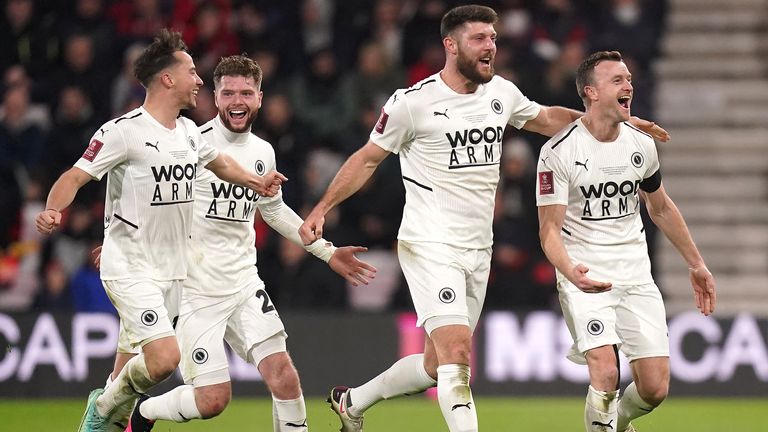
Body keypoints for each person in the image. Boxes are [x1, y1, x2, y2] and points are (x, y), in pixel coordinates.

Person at [298, 5, 669, 432]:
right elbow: (367, 160)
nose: (490, 45)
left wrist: (613, 120)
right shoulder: (412, 103)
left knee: (437, 364)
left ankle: (354, 401)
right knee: (457, 355)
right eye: (479, 38)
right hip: (430, 242)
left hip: (478, 247)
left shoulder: (501, 94)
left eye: (493, 37)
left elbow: (548, 118)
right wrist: (323, 207)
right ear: (450, 45)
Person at [35, 29, 285, 432]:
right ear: (167, 78)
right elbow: (75, 176)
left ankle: (111, 411)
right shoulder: (123, 131)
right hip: (130, 265)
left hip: (173, 271)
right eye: (191, 71)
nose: (199, 80)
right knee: (165, 359)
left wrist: (253, 182)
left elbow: (219, 163)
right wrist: (52, 209)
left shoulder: (187, 132)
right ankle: (103, 408)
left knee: (132, 365)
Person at [117, 54, 376, 432]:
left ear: (259, 98)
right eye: (228, 93)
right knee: (212, 401)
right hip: (193, 291)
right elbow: (151, 199)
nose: (237, 101)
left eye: (246, 93)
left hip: (242, 284)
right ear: (216, 98)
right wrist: (122, 239)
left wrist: (327, 251)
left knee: (284, 376)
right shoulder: (190, 143)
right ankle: (144, 411)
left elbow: (273, 211)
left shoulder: (263, 152)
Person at [535, 50, 716, 432]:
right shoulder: (558, 152)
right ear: (591, 92)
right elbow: (548, 229)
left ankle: (613, 423)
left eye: (629, 79)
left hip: (635, 273)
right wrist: (570, 272)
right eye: (617, 80)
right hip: (584, 271)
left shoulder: (640, 144)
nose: (628, 85)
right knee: (605, 370)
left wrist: (696, 263)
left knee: (654, 388)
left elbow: (661, 208)